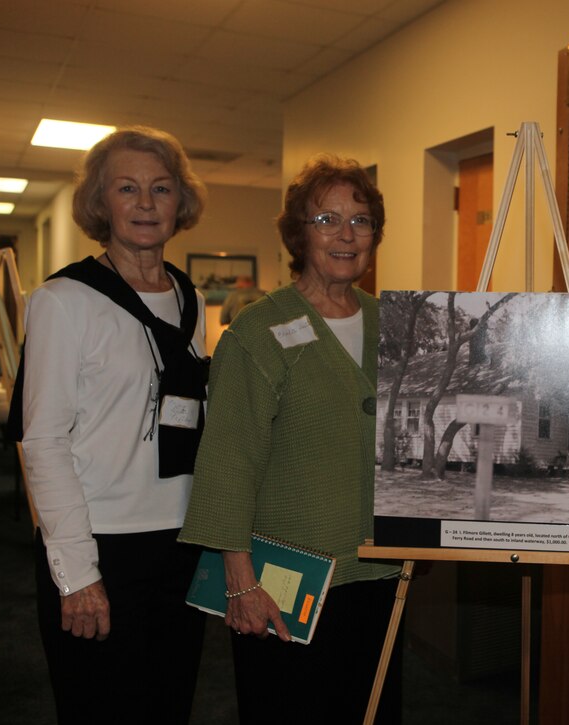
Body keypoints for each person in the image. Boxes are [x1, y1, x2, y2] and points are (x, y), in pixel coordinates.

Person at [179, 155, 402, 723]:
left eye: (361, 220)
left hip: (379, 574)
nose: (346, 235)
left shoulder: (397, 326)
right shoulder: (258, 331)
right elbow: (228, 458)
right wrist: (239, 582)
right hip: (284, 583)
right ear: (298, 235)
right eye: (326, 220)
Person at [21, 127, 210, 724]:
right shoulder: (64, 300)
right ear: (100, 203)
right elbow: (43, 442)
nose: (147, 203)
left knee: (169, 705)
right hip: (99, 543)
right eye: (127, 188)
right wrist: (76, 574)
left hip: (181, 540)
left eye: (162, 187)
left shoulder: (189, 296)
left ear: (181, 200)